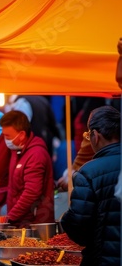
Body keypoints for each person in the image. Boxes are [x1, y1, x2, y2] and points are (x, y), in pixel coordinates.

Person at [61, 106, 121, 266]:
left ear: (95, 136)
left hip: (102, 259)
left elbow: (79, 230)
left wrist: (65, 219)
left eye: (87, 135)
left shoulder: (88, 172)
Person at [0, 110, 54, 227]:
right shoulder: (16, 150)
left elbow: (32, 192)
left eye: (7, 136)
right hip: (19, 221)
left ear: (22, 135)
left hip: (33, 225)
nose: (5, 140)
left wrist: (10, 217)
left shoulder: (36, 155)